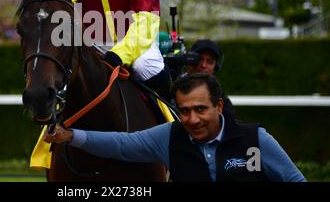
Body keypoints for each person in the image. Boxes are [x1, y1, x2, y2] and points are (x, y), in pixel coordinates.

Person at [44, 73, 306, 182]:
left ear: (219, 106)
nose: (192, 119)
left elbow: (295, 180)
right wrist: (71, 136)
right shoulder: (169, 138)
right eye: (184, 111)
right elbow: (121, 144)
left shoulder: (256, 140)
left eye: (201, 109)